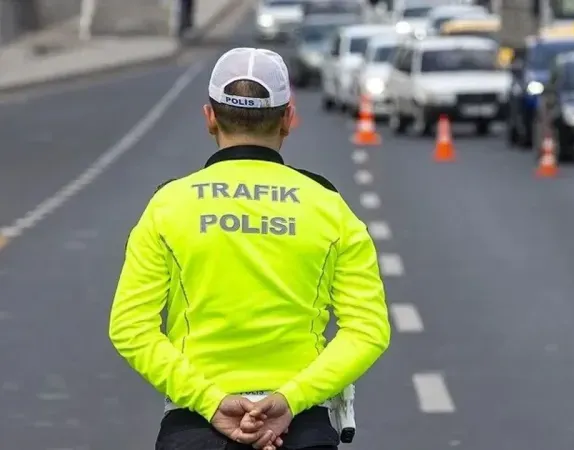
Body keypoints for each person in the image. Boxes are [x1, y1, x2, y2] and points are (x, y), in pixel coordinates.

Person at [108, 47, 392, 450]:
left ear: (209, 117)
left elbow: (130, 328)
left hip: (196, 426)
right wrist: (291, 400)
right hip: (301, 427)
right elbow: (368, 329)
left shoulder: (168, 205)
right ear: (288, 119)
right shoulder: (329, 207)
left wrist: (211, 401)